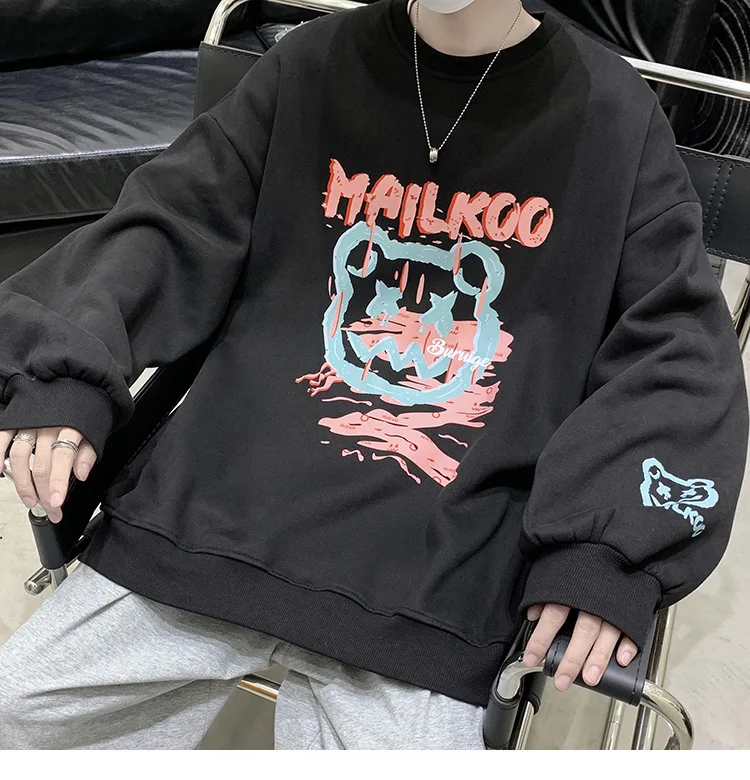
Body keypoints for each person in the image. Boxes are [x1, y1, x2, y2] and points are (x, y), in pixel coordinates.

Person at [0, 0, 746, 750]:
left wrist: (608, 552)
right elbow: (169, 223)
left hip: (438, 581)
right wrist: (64, 370)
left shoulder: (613, 116)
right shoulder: (310, 63)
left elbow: (675, 349)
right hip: (210, 520)